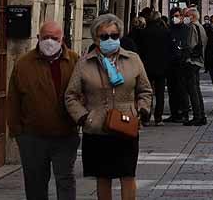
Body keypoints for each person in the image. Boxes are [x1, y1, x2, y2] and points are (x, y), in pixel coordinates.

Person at [65, 14, 153, 200]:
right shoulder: (84, 63)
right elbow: (70, 95)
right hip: (97, 128)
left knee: (127, 174)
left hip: (126, 126)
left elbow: (145, 90)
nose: (110, 40)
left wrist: (142, 111)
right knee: (103, 177)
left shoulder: (133, 59)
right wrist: (83, 117)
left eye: (114, 35)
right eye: (104, 36)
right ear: (96, 38)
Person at [7, 21, 80, 200]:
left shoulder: (74, 61)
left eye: (54, 38)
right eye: (45, 37)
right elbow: (14, 100)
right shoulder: (24, 64)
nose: (49, 42)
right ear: (38, 38)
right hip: (32, 136)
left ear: (62, 38)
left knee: (65, 180)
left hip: (65, 134)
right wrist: (18, 132)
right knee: (35, 182)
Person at [137, 8, 171, 125]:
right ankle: (158, 118)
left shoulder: (144, 33)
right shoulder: (165, 32)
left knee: (147, 92)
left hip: (147, 66)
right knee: (160, 93)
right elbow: (169, 50)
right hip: (161, 67)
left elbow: (140, 50)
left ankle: (146, 117)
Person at [182, 7, 208, 126]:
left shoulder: (192, 27)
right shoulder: (200, 26)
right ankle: (201, 115)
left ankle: (197, 116)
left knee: (193, 90)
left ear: (191, 16)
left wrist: (186, 55)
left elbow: (191, 44)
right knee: (196, 89)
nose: (184, 18)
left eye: (186, 15)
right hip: (199, 61)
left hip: (193, 61)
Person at [167, 7, 190, 122]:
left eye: (177, 16)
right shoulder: (169, 29)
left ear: (181, 16)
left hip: (181, 63)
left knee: (182, 89)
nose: (175, 18)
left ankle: (183, 112)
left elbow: (187, 45)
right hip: (171, 64)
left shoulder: (186, 29)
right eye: (173, 16)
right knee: (172, 90)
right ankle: (174, 113)